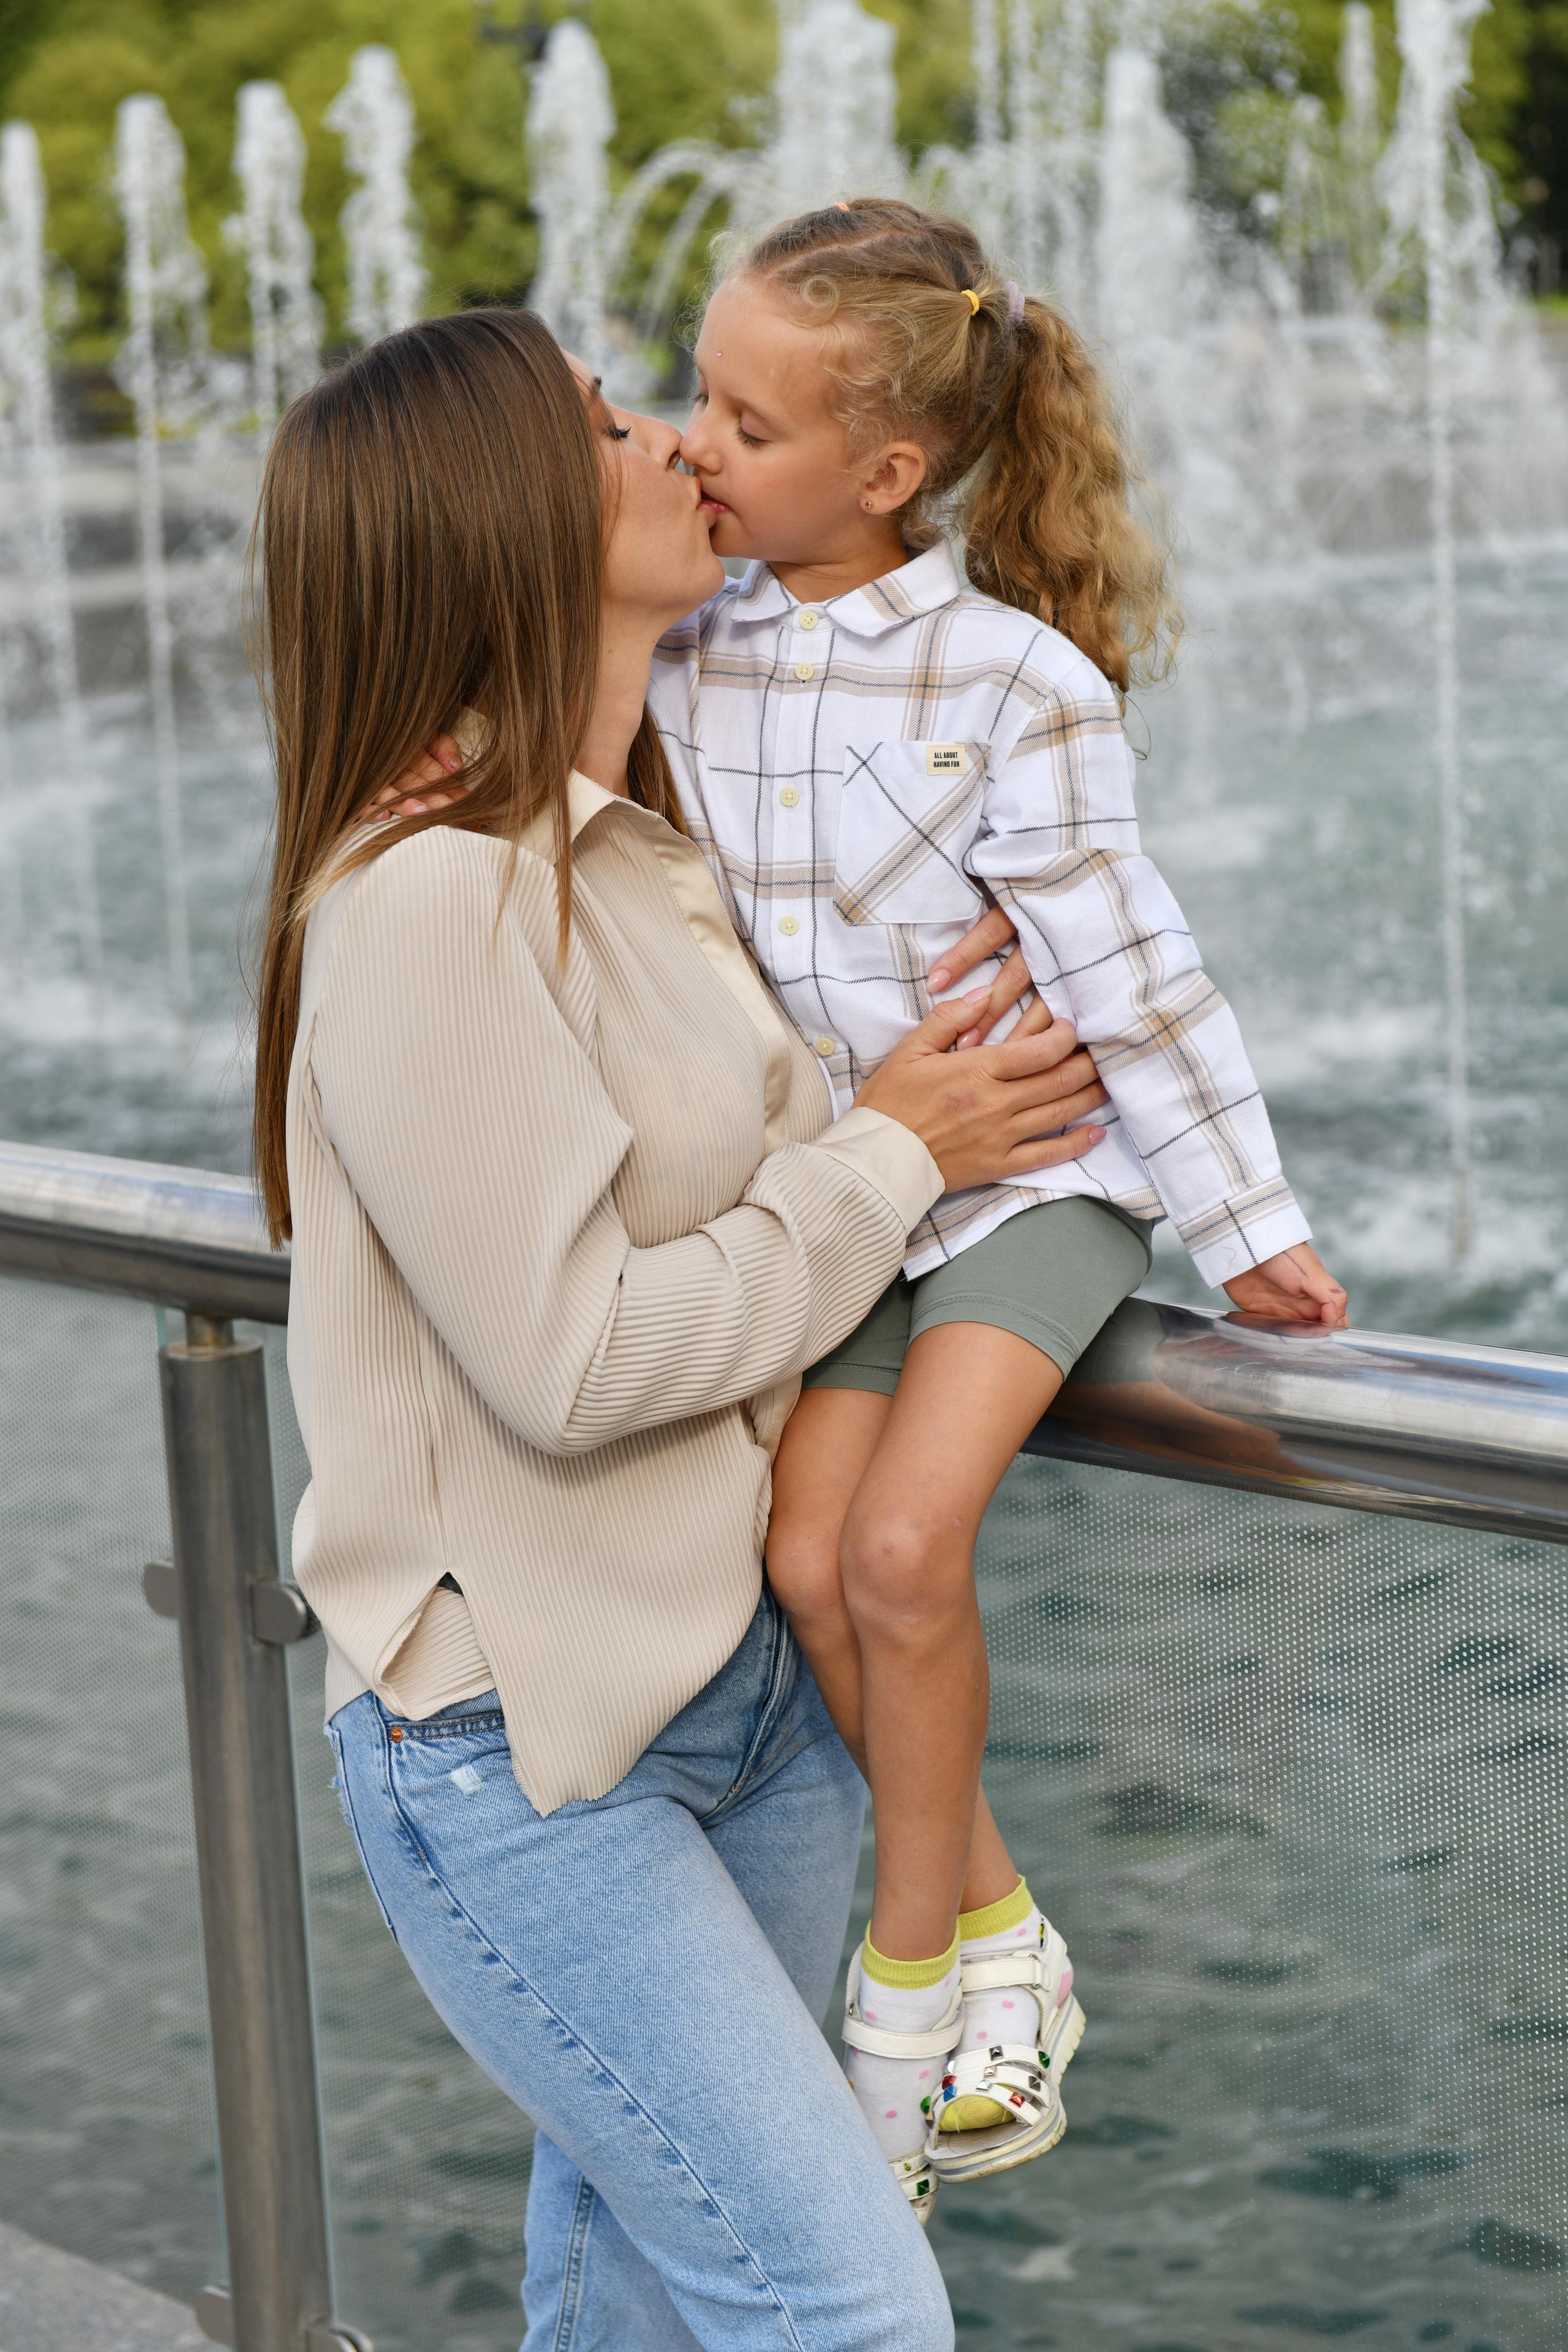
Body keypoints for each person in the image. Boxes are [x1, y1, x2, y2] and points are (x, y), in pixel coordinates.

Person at [394, 203, 1349, 2220]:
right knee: (809, 1557)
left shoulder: (1016, 680)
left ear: (888, 472)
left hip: (1031, 1182)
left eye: (744, 416)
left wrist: (1241, 1216)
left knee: (904, 1547)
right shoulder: (704, 647)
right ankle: (1008, 1936)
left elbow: (1135, 965)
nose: (695, 439)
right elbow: (578, 808)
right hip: (855, 1193)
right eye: (697, 392)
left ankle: (910, 1999)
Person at [250, 304, 1114, 2351]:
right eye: (609, 422)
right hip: (527, 1754)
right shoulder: (432, 902)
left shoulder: (643, 849)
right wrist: (895, 1153)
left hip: (753, 1700)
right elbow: (578, 1362)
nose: (671, 443)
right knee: (846, 2308)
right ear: (503, 517)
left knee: (644, 2289)